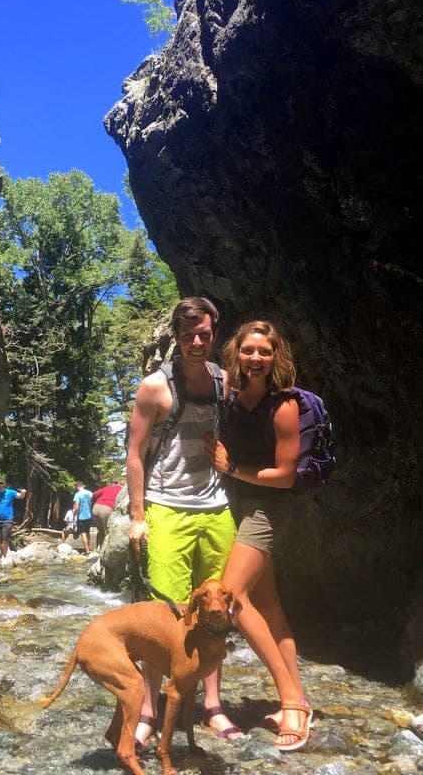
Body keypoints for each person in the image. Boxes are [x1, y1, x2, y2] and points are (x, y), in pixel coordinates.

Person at [127, 296, 240, 745]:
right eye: (189, 334)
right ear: (176, 336)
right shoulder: (154, 387)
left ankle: (211, 705)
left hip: (216, 508)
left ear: (214, 335)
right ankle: (150, 711)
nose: (197, 342)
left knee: (220, 613)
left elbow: (234, 434)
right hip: (166, 506)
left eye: (205, 334)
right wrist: (137, 516)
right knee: (165, 617)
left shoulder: (224, 381)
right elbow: (134, 454)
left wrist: (231, 460)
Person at [204, 319, 313, 752]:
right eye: (248, 350)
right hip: (237, 504)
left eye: (264, 351)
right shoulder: (230, 398)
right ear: (237, 353)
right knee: (268, 605)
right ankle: (299, 694)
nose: (255, 358)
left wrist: (233, 470)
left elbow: (286, 477)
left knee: (232, 596)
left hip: (268, 508)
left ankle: (291, 703)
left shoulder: (282, 404)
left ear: (275, 356)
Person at [91, 482, 123, 549]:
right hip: (107, 509)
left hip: (95, 507)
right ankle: (106, 551)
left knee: (101, 530)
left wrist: (95, 502)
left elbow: (95, 494)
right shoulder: (122, 490)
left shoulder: (109, 487)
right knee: (108, 532)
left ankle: (98, 549)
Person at [73, 481, 94, 556]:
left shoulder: (78, 495)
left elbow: (76, 507)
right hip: (88, 515)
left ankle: (87, 550)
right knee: (88, 532)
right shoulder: (90, 493)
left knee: (83, 533)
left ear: (78, 486)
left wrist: (73, 515)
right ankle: (89, 547)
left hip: (81, 516)